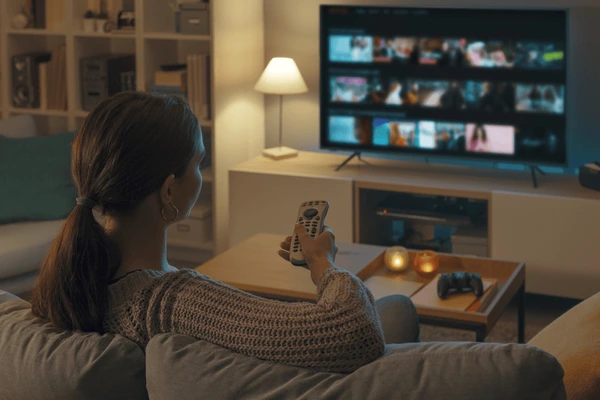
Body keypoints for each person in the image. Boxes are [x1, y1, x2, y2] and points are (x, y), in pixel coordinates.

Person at [30, 92, 419, 374]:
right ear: (168, 192)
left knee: (391, 308)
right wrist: (322, 263)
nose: (201, 175)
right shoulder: (172, 302)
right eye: (198, 164)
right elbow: (354, 333)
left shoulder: (69, 281)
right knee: (397, 310)